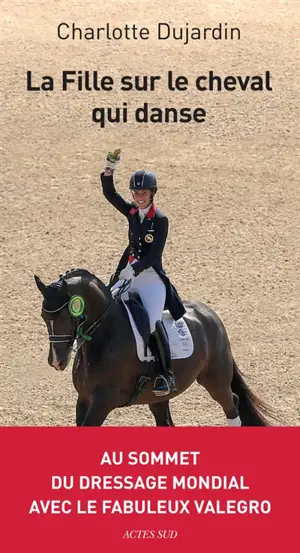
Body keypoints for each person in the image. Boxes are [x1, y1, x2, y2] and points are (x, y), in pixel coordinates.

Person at [100, 149, 186, 395]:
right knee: (106, 309)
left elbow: (154, 256)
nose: (139, 197)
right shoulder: (131, 213)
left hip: (150, 279)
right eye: (136, 193)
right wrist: (109, 170)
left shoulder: (160, 219)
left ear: (152, 193)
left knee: (151, 321)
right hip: (129, 274)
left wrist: (134, 269)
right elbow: (110, 194)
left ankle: (166, 375)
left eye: (144, 193)